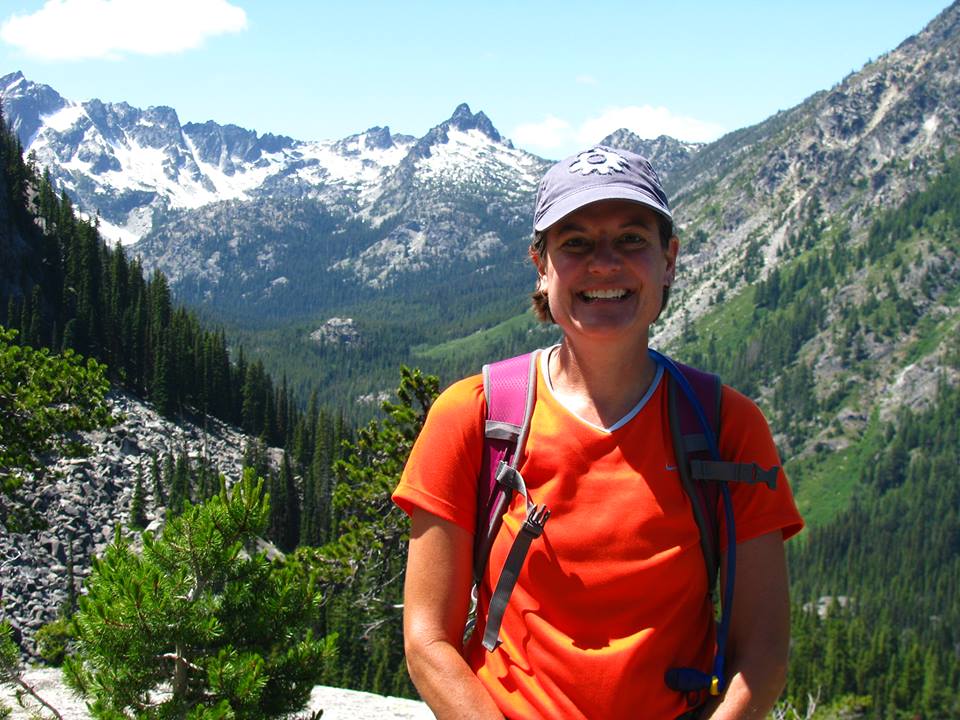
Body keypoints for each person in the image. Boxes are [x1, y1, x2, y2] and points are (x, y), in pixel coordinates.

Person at [393, 146, 804, 720]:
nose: (604, 264)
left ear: (670, 260)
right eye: (576, 243)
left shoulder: (727, 428)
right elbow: (427, 639)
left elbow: (760, 652)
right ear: (541, 264)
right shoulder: (475, 417)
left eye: (632, 239)